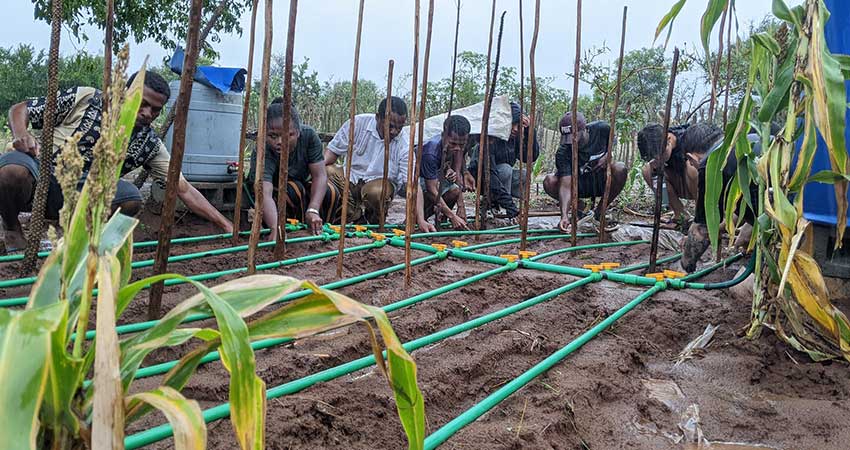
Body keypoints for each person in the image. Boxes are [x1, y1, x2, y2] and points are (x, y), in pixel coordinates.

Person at [0, 71, 233, 251]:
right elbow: (21, 109)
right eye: (142, 103)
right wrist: (22, 134)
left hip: (83, 196)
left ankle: (75, 241)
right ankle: (12, 231)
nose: (147, 113)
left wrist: (225, 225)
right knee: (12, 171)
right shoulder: (88, 98)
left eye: (155, 110)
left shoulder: (148, 142)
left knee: (130, 198)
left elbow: (184, 189)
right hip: (42, 177)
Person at [324, 96, 430, 230]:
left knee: (377, 192)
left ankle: (375, 221)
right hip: (349, 179)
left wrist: (420, 219)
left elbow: (413, 185)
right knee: (327, 171)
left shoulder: (404, 144)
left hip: (378, 185)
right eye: (390, 126)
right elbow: (331, 154)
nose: (394, 132)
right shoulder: (357, 123)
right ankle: (355, 216)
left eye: (400, 127)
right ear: (378, 117)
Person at [248, 99, 340, 238]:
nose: (279, 142)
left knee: (331, 192)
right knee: (294, 190)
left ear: (298, 132)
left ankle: (321, 229)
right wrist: (275, 228)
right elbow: (264, 192)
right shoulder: (264, 148)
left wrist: (313, 209)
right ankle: (291, 231)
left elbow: (319, 176)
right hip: (275, 191)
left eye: (287, 135)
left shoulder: (309, 136)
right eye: (272, 136)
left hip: (299, 184)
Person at [543, 111, 627, 233]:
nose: (571, 142)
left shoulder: (602, 129)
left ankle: (599, 212)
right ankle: (580, 209)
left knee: (620, 168)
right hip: (578, 185)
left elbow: (612, 144)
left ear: (585, 129)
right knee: (549, 181)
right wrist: (564, 215)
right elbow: (566, 185)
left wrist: (608, 155)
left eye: (574, 136)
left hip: (600, 181)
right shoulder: (563, 152)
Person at [638, 122, 723, 226]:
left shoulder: (688, 138)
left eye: (661, 155)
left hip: (704, 186)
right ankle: (680, 214)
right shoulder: (657, 158)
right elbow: (658, 180)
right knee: (647, 170)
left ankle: (701, 217)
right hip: (681, 184)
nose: (658, 161)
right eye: (654, 158)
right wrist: (656, 169)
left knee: (693, 168)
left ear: (668, 139)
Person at [466, 102, 540, 219]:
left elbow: (529, 157)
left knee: (524, 175)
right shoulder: (491, 138)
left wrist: (530, 131)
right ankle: (493, 204)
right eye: (512, 125)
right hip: (482, 179)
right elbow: (490, 174)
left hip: (501, 180)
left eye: (518, 125)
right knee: (505, 169)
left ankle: (503, 203)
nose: (515, 129)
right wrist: (509, 204)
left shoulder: (515, 138)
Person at [415, 115, 471, 230]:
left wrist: (461, 207)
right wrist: (453, 216)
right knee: (433, 189)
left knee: (454, 189)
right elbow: (431, 190)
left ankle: (442, 218)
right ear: (443, 135)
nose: (457, 148)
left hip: (434, 179)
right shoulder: (430, 152)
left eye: (461, 145)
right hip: (417, 183)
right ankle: (418, 217)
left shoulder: (458, 147)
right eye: (453, 144)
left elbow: (457, 175)